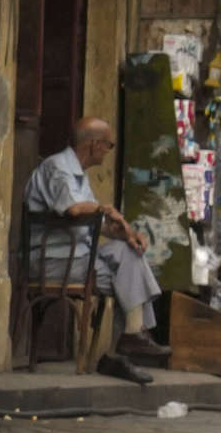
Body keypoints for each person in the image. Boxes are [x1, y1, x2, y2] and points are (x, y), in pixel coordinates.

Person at [23, 118, 169, 363]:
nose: (108, 151)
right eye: (108, 145)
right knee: (128, 271)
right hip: (52, 259)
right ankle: (132, 335)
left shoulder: (78, 175)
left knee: (129, 252)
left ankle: (133, 335)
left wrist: (126, 234)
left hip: (77, 257)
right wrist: (103, 208)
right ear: (93, 145)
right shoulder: (57, 167)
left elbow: (97, 222)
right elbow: (74, 210)